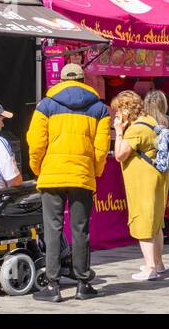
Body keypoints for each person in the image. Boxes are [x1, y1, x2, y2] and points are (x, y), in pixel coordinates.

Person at [27, 63, 110, 303]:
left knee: (52, 229)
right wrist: (94, 171)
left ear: (60, 80)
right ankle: (83, 283)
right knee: (80, 230)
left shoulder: (46, 105)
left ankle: (53, 286)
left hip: (52, 174)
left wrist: (38, 169)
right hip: (82, 175)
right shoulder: (99, 108)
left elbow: (36, 142)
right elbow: (101, 148)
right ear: (83, 79)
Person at [112, 90, 169, 281]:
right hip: (158, 177)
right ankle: (159, 263)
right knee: (156, 223)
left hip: (143, 181)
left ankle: (150, 267)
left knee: (144, 222)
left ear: (125, 110)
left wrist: (119, 132)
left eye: (117, 112)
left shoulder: (136, 129)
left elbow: (120, 154)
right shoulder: (150, 121)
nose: (115, 116)